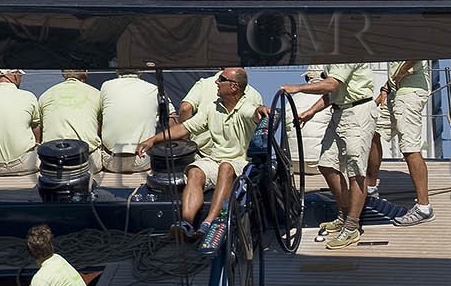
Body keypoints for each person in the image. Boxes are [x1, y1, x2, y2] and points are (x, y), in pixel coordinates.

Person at [139, 67, 267, 247]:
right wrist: (152, 140)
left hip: (240, 163)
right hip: (215, 160)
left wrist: (260, 110)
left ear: (233, 87)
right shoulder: (212, 108)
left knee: (226, 167)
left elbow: (253, 112)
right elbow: (185, 127)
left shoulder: (245, 107)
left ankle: (209, 223)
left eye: (221, 79)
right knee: (195, 171)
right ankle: (186, 223)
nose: (216, 81)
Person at [277, 63, 377, 250]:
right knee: (326, 164)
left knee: (356, 170)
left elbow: (331, 85)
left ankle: (352, 226)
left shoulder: (346, 51)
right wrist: (311, 112)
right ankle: (345, 213)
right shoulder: (333, 56)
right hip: (339, 111)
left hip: (358, 112)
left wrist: (297, 88)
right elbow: (333, 93)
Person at [368, 60, 434, 225]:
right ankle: (370, 188)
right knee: (372, 132)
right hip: (396, 91)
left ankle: (424, 207)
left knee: (409, 147)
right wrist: (387, 87)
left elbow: (417, 52)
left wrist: (400, 73)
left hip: (410, 93)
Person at [0, 68, 42, 175]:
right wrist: (38, 144)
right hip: (26, 164)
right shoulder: (28, 96)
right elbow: (36, 127)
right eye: (20, 75)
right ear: (15, 75)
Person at [38, 69, 106, 171]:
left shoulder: (45, 95)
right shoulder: (97, 94)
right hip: (86, 161)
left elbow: (42, 128)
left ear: (62, 73)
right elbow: (101, 128)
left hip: (52, 162)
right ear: (86, 72)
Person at [99, 68, 160, 175]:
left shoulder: (106, 86)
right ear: (141, 71)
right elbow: (172, 118)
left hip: (111, 162)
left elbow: (99, 118)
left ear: (117, 70)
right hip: (143, 161)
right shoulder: (154, 89)